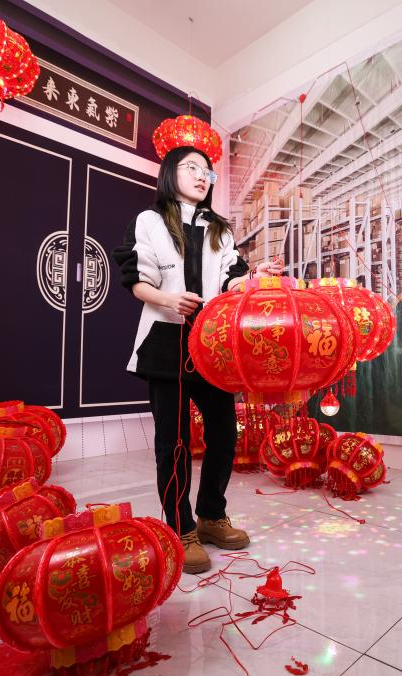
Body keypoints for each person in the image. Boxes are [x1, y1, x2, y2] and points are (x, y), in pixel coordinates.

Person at [112, 118, 282, 574]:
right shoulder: (149, 221)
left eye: (207, 171)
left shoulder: (218, 228)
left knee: (224, 434)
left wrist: (254, 276)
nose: (202, 176)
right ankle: (179, 527)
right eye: (192, 167)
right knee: (174, 443)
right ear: (171, 173)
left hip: (212, 344)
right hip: (165, 341)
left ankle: (210, 515)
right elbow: (136, 279)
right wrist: (168, 299)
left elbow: (231, 279)